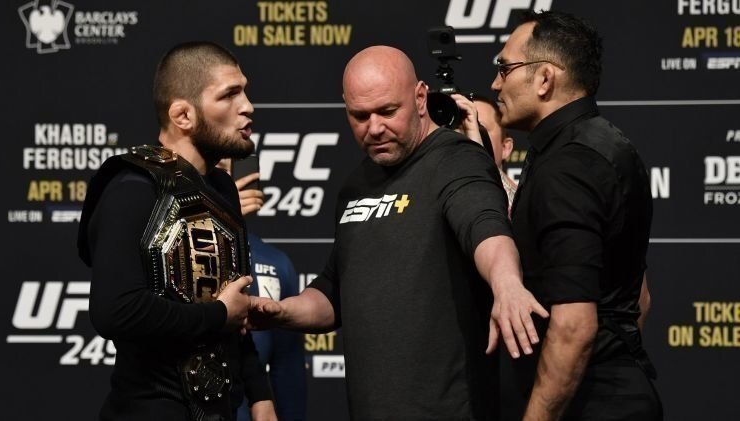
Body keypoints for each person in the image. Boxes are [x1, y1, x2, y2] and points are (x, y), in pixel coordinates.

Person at [249, 45, 548, 420]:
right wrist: (281, 312)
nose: (374, 128)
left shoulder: (457, 160)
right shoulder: (355, 185)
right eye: (360, 116)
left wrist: (506, 284)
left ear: (421, 98)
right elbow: (334, 291)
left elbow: (485, 226)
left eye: (388, 111)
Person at [77, 42, 276, 420]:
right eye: (230, 95)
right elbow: (115, 311)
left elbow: (234, 306)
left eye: (245, 91)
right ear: (183, 115)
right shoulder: (132, 188)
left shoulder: (222, 188)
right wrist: (218, 314)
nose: (248, 106)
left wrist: (260, 395)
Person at [491, 10, 661, 420]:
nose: (496, 83)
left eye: (505, 68)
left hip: (589, 404)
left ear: (544, 79)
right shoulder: (607, 143)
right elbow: (640, 298)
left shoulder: (567, 165)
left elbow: (574, 326)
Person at [218, 161, 306, 421]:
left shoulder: (275, 263)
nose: (228, 179)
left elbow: (287, 367)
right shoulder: (167, 252)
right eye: (218, 169)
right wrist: (218, 215)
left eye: (232, 169)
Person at [452, 94, 517, 208]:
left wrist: (478, 155)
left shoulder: (523, 200)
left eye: (479, 127)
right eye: (460, 128)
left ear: (505, 148)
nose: (468, 134)